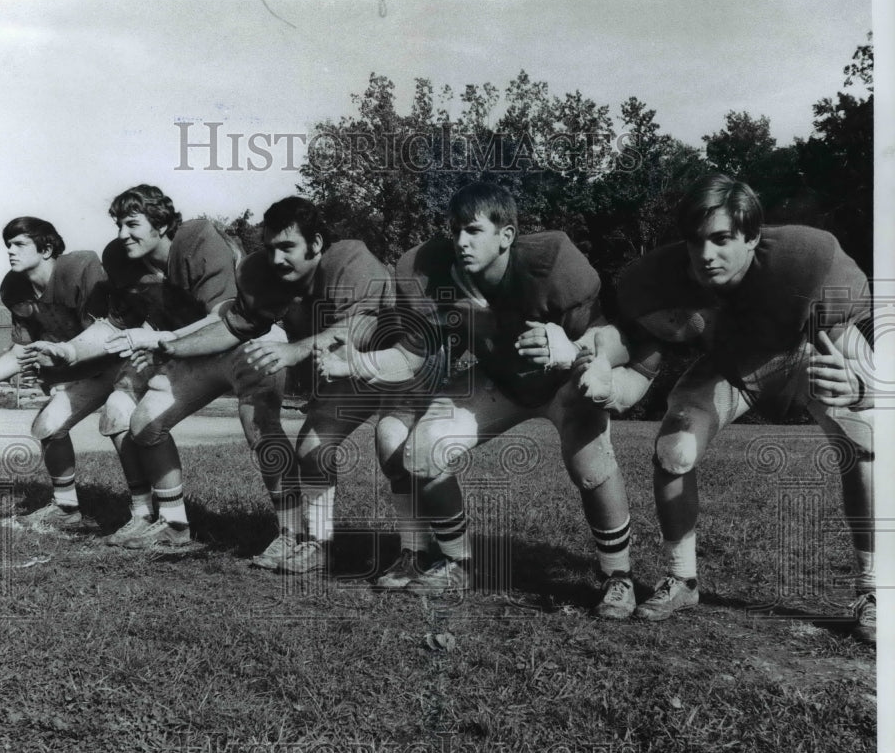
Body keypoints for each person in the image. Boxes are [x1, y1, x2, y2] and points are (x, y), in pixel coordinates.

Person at [574, 172, 875, 641]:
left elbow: (864, 338)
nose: (706, 255)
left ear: (753, 237)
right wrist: (603, 377)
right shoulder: (658, 279)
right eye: (695, 241)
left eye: (721, 239)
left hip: (805, 357)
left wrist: (863, 385)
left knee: (865, 440)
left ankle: (873, 588)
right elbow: (640, 371)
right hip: (733, 369)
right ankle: (682, 578)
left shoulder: (806, 258)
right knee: (673, 448)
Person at [318, 182, 636, 617]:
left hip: (563, 380)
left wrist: (575, 349)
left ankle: (618, 576)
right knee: (424, 449)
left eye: (472, 230)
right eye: (454, 230)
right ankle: (456, 562)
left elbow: (616, 340)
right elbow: (413, 356)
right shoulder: (428, 270)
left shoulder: (552, 261)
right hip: (499, 380)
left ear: (506, 236)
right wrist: (357, 363)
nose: (460, 241)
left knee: (590, 461)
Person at [29, 185, 293, 551]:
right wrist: (68, 352)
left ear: (162, 223)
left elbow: (225, 317)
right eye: (119, 225)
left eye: (132, 224)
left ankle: (296, 533)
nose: (122, 235)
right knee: (140, 421)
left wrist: (159, 339)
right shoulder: (121, 261)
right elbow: (117, 324)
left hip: (244, 343)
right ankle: (172, 525)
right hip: (185, 350)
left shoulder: (199, 239)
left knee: (260, 427)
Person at [158, 196, 405, 574]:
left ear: (317, 243)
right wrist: (173, 345)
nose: (276, 259)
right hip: (344, 370)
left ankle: (424, 550)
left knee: (401, 453)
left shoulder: (348, 260)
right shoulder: (263, 273)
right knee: (311, 446)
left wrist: (294, 350)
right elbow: (231, 326)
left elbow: (359, 326)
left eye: (288, 247)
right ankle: (316, 543)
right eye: (271, 248)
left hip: (397, 363)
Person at [0, 216, 135, 529]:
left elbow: (114, 328)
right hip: (82, 368)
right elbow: (19, 353)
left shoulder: (81, 267)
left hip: (123, 358)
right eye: (8, 244)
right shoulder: (14, 288)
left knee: (119, 421)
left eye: (19, 243)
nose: (10, 250)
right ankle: (66, 508)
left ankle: (145, 511)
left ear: (47, 248)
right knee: (48, 425)